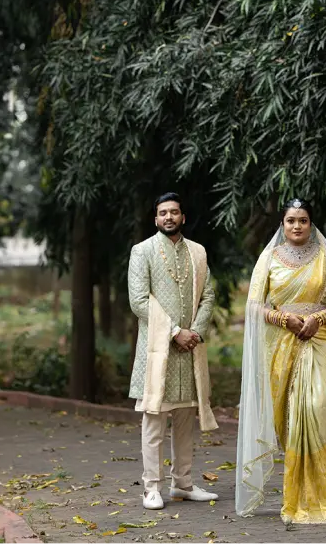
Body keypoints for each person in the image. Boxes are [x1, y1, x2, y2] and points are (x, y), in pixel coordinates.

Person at [235, 198, 326, 525]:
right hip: (281, 346)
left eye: (302, 220)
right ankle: (295, 500)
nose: (297, 226)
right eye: (290, 220)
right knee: (289, 422)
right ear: (282, 225)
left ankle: (324, 501)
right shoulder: (268, 258)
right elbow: (254, 307)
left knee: (317, 410)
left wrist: (320, 318)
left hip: (320, 342)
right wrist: (283, 319)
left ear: (311, 224)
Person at [128, 192, 219, 510]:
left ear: (183, 217)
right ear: (156, 219)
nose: (169, 217)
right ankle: (151, 487)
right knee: (154, 419)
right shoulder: (142, 252)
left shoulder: (198, 252)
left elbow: (208, 293)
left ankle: (182, 484)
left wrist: (196, 330)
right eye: (163, 212)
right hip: (157, 352)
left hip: (189, 352)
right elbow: (139, 300)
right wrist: (175, 332)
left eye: (174, 212)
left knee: (184, 420)